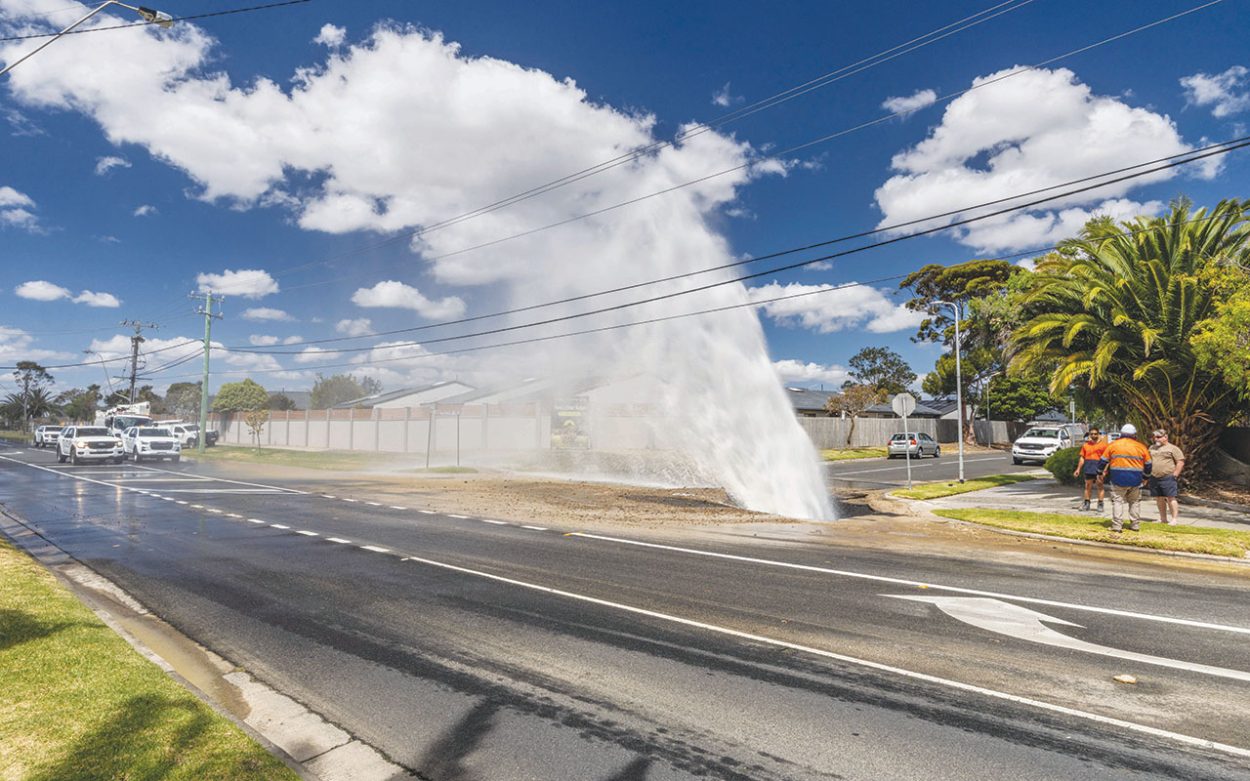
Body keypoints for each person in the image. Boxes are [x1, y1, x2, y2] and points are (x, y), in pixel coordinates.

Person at [1099, 424, 1152, 532]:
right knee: (1134, 502)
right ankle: (1135, 525)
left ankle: (1117, 526)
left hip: (1117, 478)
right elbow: (1148, 464)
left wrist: (1099, 473)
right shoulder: (1141, 446)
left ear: (1121, 434)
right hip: (1136, 479)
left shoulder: (1113, 445)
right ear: (1134, 435)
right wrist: (1146, 477)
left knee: (1118, 502)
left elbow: (1103, 461)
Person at [1148, 429, 1185, 525]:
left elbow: (1180, 461)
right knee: (1159, 498)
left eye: (1159, 437)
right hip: (1154, 476)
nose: (1156, 439)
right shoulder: (1152, 448)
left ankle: (1174, 519)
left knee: (1170, 498)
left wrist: (1175, 474)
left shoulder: (1173, 448)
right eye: (1155, 437)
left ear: (1165, 437)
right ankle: (1163, 518)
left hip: (1168, 477)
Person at [1073, 427, 1108, 512]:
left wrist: (1105, 470)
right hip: (1088, 467)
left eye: (1095, 434)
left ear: (1098, 434)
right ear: (1089, 435)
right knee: (1088, 486)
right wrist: (1078, 469)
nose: (1093, 435)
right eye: (1091, 434)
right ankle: (1087, 503)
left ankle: (1100, 504)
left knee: (1100, 486)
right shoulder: (1086, 445)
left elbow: (1107, 459)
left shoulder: (1104, 445)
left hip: (1099, 468)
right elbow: (1082, 458)